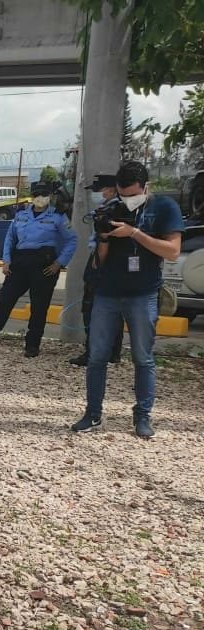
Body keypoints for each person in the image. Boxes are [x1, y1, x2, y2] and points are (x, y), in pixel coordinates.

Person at [71, 161, 183, 438]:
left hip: (143, 293)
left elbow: (172, 251)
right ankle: (93, 414)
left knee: (142, 358)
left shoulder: (164, 208)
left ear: (146, 187)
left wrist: (134, 232)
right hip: (107, 293)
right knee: (97, 356)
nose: (128, 200)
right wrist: (105, 237)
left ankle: (142, 417)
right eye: (122, 195)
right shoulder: (110, 208)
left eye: (133, 194)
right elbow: (99, 262)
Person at [0, 181, 78, 357]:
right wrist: (6, 260)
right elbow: (10, 238)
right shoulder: (21, 214)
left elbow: (72, 240)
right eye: (37, 194)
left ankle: (32, 345)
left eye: (44, 193)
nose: (40, 197)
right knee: (3, 303)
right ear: (32, 196)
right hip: (20, 262)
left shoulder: (58, 216)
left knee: (39, 307)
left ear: (49, 196)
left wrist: (59, 263)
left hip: (44, 264)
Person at [69, 174, 124, 366]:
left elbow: (105, 239)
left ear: (110, 190)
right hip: (113, 264)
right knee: (113, 309)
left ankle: (93, 351)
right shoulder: (113, 208)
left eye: (97, 190)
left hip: (103, 260)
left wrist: (96, 264)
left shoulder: (113, 210)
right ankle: (113, 352)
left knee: (91, 307)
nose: (94, 194)